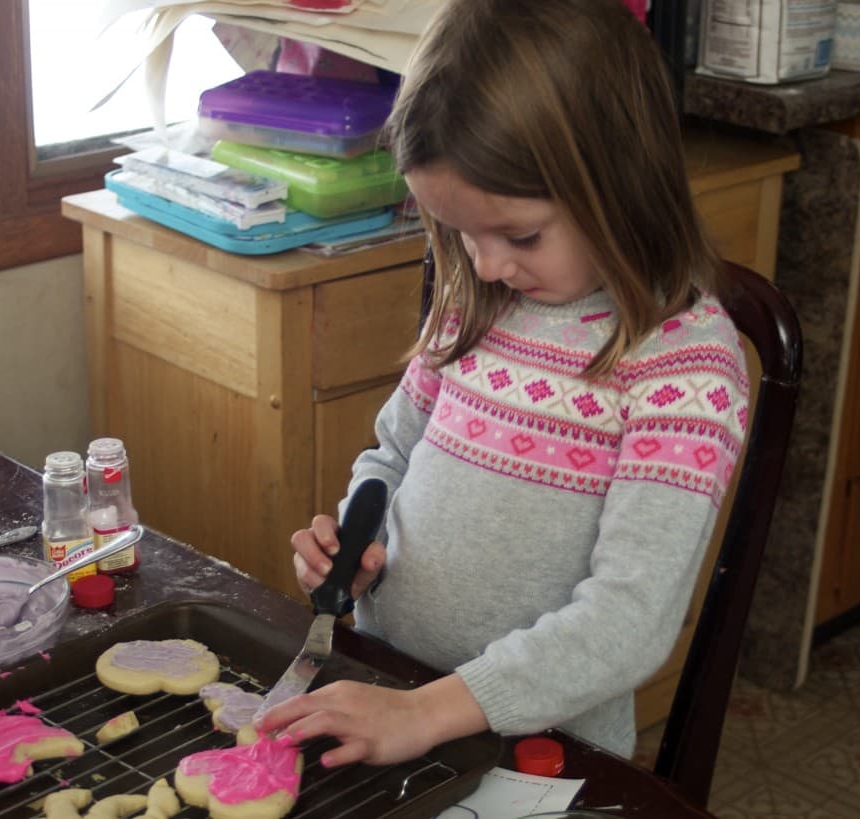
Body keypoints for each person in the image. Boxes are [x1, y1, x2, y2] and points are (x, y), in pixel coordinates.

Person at [254, 0, 750, 768]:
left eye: (518, 235)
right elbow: (392, 456)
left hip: (539, 753)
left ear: (621, 182)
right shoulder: (478, 303)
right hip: (395, 695)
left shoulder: (684, 368)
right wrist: (356, 540)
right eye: (456, 230)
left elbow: (629, 620)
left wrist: (429, 711)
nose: (483, 265)